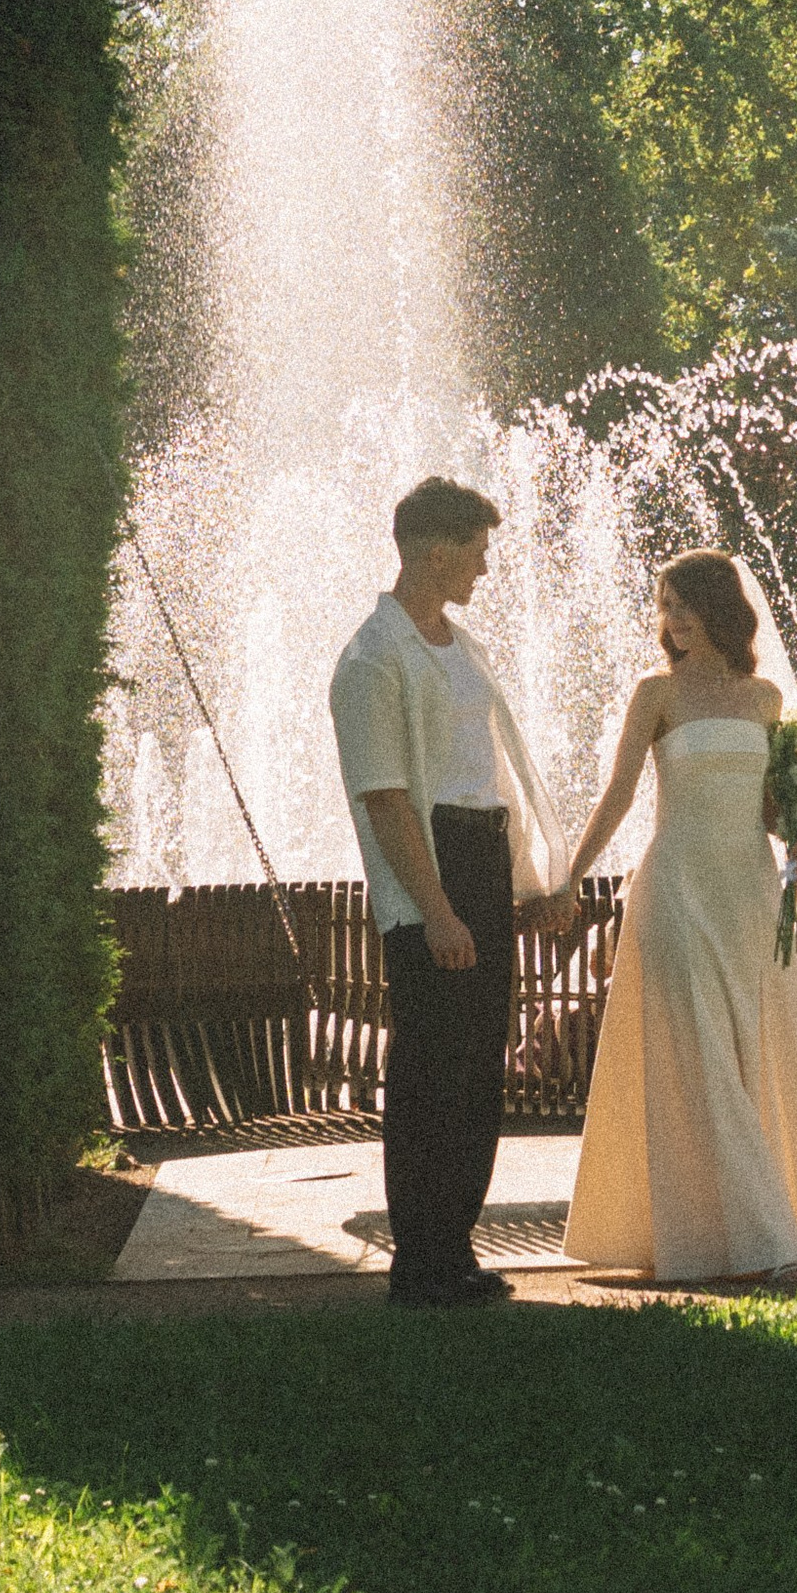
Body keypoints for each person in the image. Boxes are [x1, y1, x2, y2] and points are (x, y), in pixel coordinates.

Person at [560, 548, 797, 1287]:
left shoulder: (764, 698)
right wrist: (569, 879)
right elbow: (617, 797)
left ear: (716, 608)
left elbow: (772, 811)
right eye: (662, 608)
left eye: (681, 605)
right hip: (674, 889)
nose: (669, 623)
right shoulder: (655, 694)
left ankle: (722, 1232)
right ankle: (769, 1241)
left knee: (751, 1054)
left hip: (748, 895)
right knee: (697, 1053)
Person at [328, 478, 568, 1308]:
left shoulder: (465, 649)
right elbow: (387, 798)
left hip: (482, 856)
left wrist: (533, 880)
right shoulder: (370, 659)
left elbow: (496, 774)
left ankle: (453, 1249)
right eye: (477, 551)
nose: (487, 568)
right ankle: (420, 1262)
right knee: (431, 1066)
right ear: (436, 551)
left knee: (478, 1064)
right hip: (428, 867)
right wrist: (436, 912)